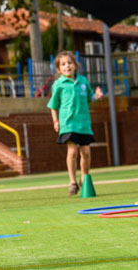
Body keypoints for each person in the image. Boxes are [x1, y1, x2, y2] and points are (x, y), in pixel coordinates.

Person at [47, 51, 103, 195]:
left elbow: (90, 97)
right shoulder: (58, 85)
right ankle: (72, 182)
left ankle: (84, 178)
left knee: (86, 152)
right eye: (63, 64)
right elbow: (53, 106)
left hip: (83, 124)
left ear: (75, 66)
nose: (67, 66)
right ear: (59, 69)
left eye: (70, 63)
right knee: (72, 151)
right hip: (68, 123)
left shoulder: (83, 81)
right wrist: (55, 121)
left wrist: (97, 96)